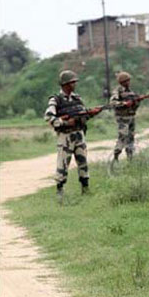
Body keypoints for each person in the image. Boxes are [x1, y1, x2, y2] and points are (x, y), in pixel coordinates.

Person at [44, 70, 90, 202]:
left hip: (79, 134)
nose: (74, 84)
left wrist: (88, 115)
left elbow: (84, 113)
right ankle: (59, 190)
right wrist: (64, 122)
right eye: (72, 82)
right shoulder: (56, 100)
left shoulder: (77, 98)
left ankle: (85, 188)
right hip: (65, 136)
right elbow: (48, 116)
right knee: (63, 163)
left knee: (83, 162)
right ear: (65, 84)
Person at [110, 71, 141, 162]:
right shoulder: (117, 91)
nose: (128, 82)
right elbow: (113, 103)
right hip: (122, 118)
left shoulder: (131, 92)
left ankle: (130, 158)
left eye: (128, 80)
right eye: (126, 81)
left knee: (131, 138)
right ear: (121, 82)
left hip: (131, 117)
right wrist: (124, 103)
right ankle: (116, 154)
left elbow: (136, 105)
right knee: (123, 136)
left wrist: (136, 102)